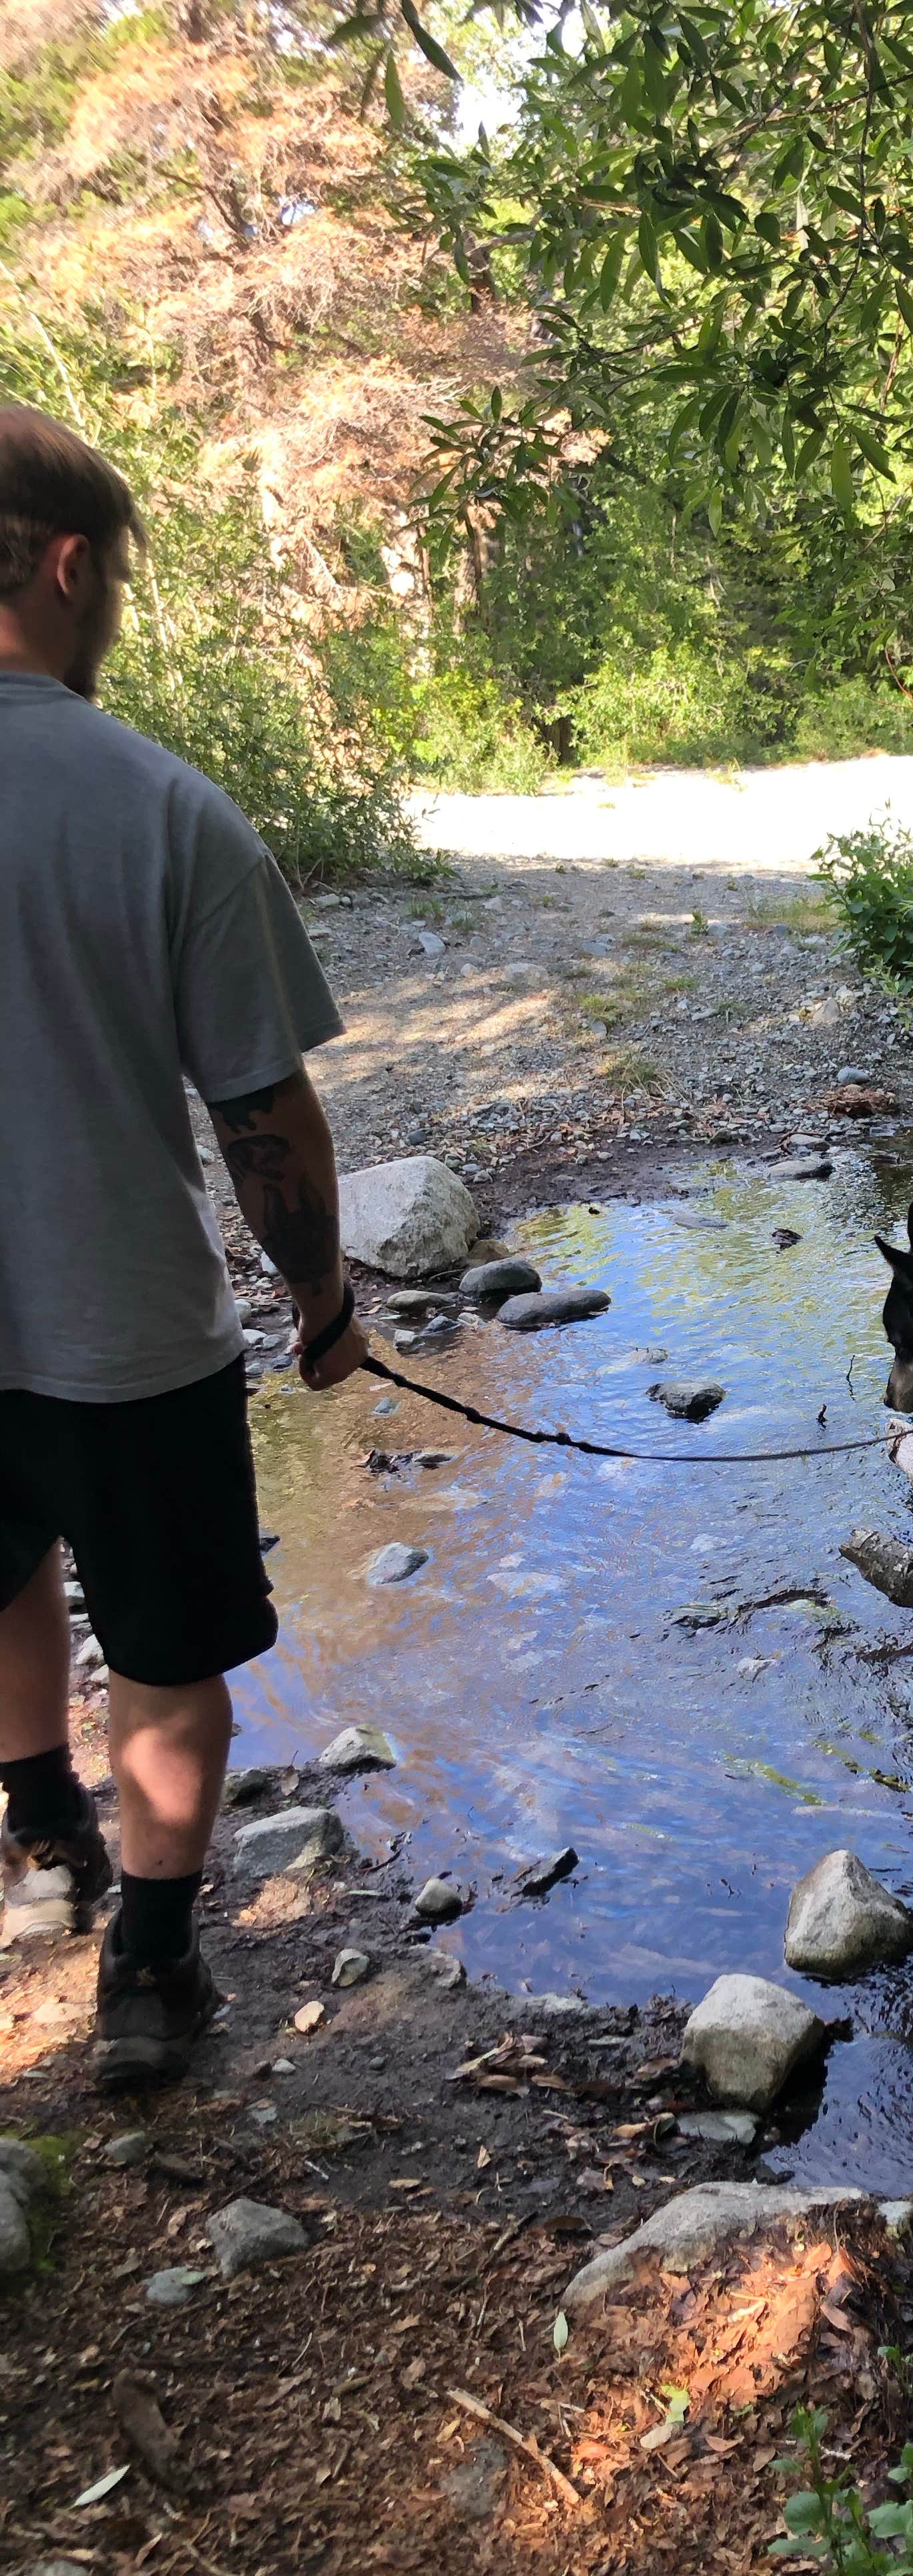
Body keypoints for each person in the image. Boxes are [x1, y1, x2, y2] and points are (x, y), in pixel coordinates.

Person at [0, 402, 368, 2090]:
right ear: (71, 567)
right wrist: (320, 1297)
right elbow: (261, 1116)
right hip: (121, 1328)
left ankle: (33, 1833)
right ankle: (146, 1973)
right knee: (164, 1654)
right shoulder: (163, 810)